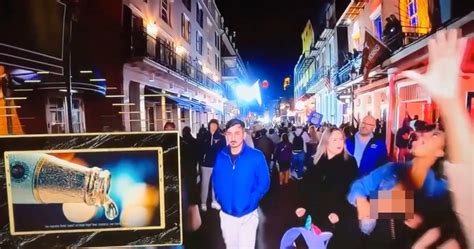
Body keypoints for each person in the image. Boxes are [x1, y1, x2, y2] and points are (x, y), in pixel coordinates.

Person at [402, 29, 473, 248]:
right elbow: (367, 198)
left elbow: (467, 185)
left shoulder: (441, 187)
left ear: (442, 151)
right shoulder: (398, 168)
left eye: (434, 134)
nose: (421, 135)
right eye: (424, 132)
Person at [296, 127, 359, 249]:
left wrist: (340, 213)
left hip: (338, 218)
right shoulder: (314, 161)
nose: (339, 142)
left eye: (341, 139)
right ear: (325, 142)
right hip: (315, 216)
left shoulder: (349, 163)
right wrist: (302, 205)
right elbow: (304, 187)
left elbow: (352, 192)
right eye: (334, 140)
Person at [212, 119, 270, 249]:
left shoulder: (256, 156)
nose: (233, 137)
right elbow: (216, 179)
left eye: (237, 133)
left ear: (244, 135)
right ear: (226, 135)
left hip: (248, 215)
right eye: (229, 133)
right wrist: (220, 199)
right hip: (226, 214)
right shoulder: (220, 156)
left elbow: (264, 183)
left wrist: (252, 200)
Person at [198, 119, 226, 211]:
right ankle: (203, 203)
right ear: (209, 125)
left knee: (215, 184)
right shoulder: (204, 136)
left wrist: (215, 145)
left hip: (216, 164)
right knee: (204, 184)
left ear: (217, 126)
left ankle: (214, 201)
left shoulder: (221, 138)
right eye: (212, 125)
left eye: (215, 125)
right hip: (205, 164)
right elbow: (201, 149)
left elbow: (223, 150)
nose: (213, 127)